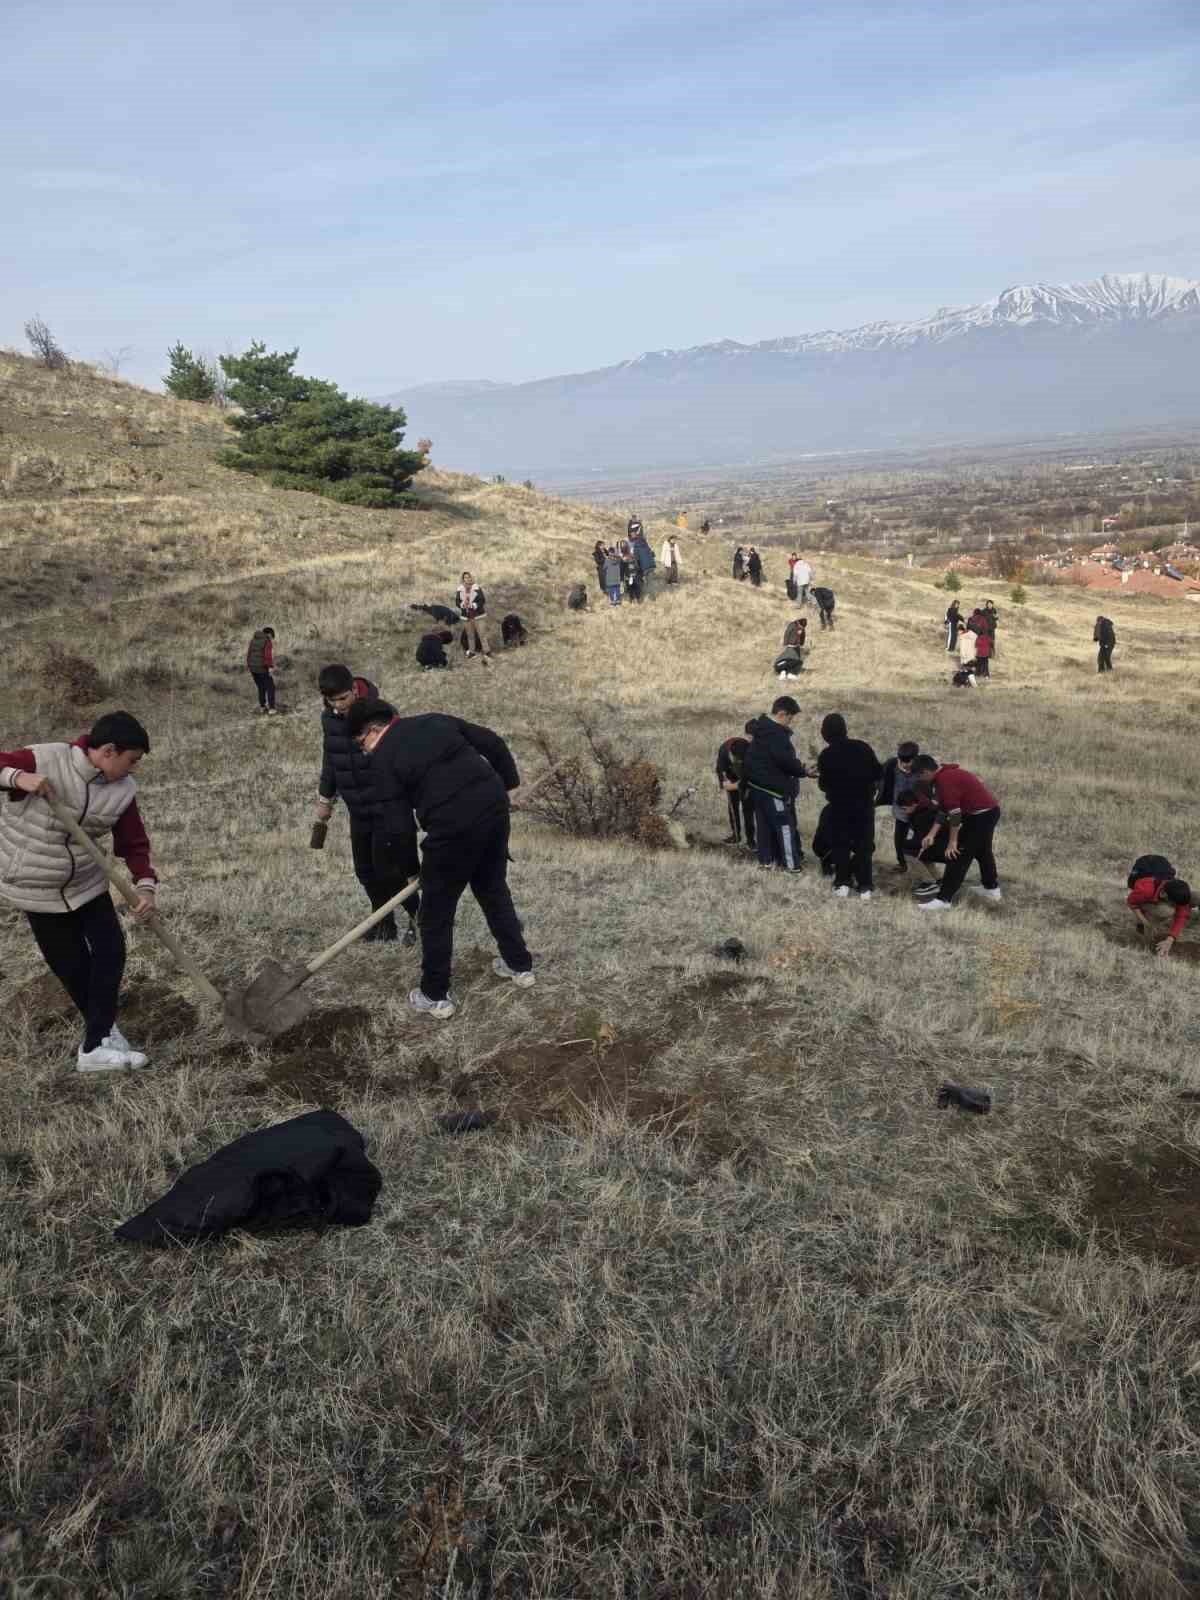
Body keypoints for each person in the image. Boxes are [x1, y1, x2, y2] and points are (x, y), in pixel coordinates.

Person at [347, 699, 534, 1019]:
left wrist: (411, 871)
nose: (363, 751)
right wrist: (511, 786)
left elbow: (398, 828)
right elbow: (493, 742)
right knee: (492, 888)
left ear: (374, 730)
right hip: (493, 810)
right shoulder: (434, 720)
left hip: (452, 830)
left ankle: (434, 995)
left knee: (435, 913)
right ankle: (520, 966)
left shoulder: (383, 760)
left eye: (360, 742)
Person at [0, 712, 159, 1070]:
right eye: (132, 760)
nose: (133, 769)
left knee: (111, 951)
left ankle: (100, 1036)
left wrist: (145, 886)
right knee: (72, 963)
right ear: (108, 751)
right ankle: (96, 1046)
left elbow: (133, 842)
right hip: (35, 881)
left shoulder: (123, 789)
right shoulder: (46, 758)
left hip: (86, 879)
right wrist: (17, 777)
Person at [317, 666, 418, 947]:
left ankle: (419, 918)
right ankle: (383, 923)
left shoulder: (380, 713)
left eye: (343, 698)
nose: (339, 705)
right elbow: (331, 759)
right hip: (357, 809)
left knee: (391, 871)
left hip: (387, 806)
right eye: (332, 700)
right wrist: (325, 799)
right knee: (365, 871)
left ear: (354, 689)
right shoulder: (329, 718)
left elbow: (402, 756)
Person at [911, 756, 1001, 911]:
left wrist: (953, 842)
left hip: (982, 816)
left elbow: (955, 814)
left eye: (919, 776)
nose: (919, 780)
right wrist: (931, 834)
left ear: (926, 771)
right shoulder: (942, 776)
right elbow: (944, 810)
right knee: (982, 851)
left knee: (957, 854)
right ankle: (991, 888)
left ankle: (944, 899)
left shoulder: (945, 781)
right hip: (983, 813)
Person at [816, 713, 883, 899]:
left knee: (841, 845)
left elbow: (823, 785)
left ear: (825, 733)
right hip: (864, 805)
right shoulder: (862, 747)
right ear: (845, 730)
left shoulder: (826, 755)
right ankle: (865, 886)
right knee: (864, 845)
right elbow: (878, 772)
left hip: (839, 806)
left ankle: (843, 883)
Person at [745, 696, 806, 872]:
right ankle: (792, 866)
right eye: (790, 718)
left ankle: (765, 862)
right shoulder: (776, 734)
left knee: (763, 826)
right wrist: (803, 771)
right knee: (784, 826)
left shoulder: (761, 730)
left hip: (757, 788)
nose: (790, 722)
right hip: (774, 790)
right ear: (782, 714)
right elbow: (785, 761)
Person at [877, 740, 925, 871]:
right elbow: (878, 778)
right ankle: (902, 864)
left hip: (919, 811)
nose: (905, 764)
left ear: (916, 758)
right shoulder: (891, 765)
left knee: (922, 839)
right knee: (899, 840)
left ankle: (923, 862)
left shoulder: (923, 768)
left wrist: (919, 806)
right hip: (900, 812)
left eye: (908, 761)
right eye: (902, 761)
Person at [1127, 871, 1199, 957]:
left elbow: (1181, 916)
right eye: (1173, 904)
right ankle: (1148, 942)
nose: (1176, 907)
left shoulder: (1177, 891)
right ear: (1163, 894)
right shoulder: (1145, 890)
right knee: (1166, 911)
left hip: (1159, 894)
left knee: (1197, 896)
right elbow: (1131, 902)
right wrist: (1144, 922)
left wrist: (1170, 939)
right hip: (1144, 897)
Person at [715, 731, 755, 849]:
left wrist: (743, 785)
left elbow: (751, 772)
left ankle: (751, 840)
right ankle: (736, 835)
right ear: (731, 754)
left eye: (741, 760)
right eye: (736, 760)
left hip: (745, 778)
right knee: (733, 806)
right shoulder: (724, 751)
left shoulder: (749, 749)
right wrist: (724, 782)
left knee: (748, 808)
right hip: (731, 777)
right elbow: (720, 769)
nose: (739, 761)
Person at [455, 572, 491, 657]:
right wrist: (462, 604)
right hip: (466, 616)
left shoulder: (477, 588)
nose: (467, 579)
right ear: (463, 579)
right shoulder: (459, 589)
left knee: (482, 634)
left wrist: (474, 605)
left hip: (478, 615)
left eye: (469, 577)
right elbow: (457, 602)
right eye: (465, 577)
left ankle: (487, 651)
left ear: (471, 578)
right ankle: (472, 652)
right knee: (470, 635)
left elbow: (482, 600)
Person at [246, 626, 277, 714]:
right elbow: (268, 656)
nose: (271, 639)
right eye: (272, 636)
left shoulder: (253, 640)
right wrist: (270, 667)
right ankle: (272, 708)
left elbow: (249, 654)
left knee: (261, 687)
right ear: (269, 634)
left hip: (253, 668)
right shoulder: (267, 641)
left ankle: (262, 707)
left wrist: (249, 666)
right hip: (262, 668)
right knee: (270, 687)